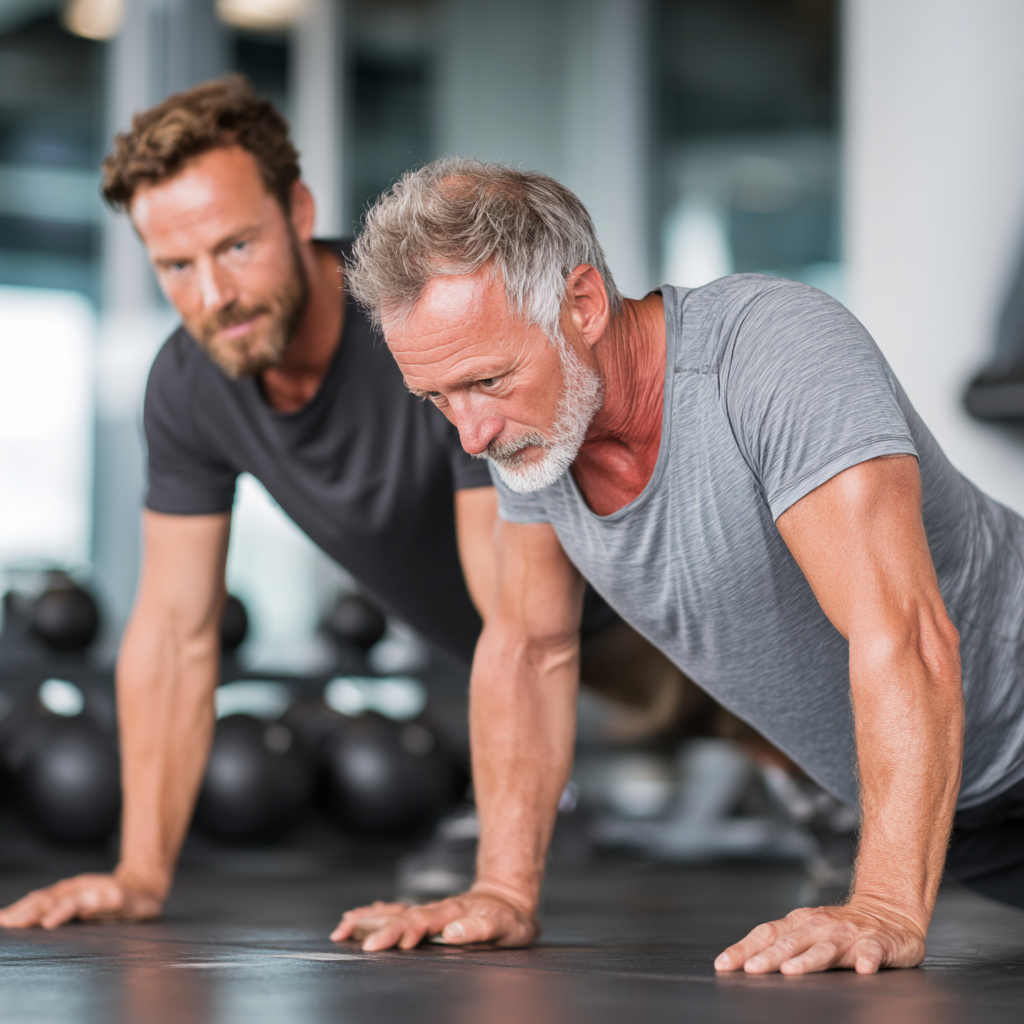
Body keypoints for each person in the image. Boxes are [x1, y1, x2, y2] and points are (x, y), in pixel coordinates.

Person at [0, 80, 760, 931]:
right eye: (177, 265)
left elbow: (513, 616)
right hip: (545, 656)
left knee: (829, 771)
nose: (215, 294)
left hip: (655, 617)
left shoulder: (414, 324)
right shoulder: (186, 384)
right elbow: (175, 634)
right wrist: (138, 875)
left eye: (238, 245)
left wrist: (501, 880)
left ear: (297, 208)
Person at [332, 158, 1024, 975]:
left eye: (487, 381)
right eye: (439, 398)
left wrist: (881, 906)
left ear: (582, 304)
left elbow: (899, 631)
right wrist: (503, 890)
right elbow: (528, 646)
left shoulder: (773, 353)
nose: (471, 434)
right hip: (970, 812)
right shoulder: (536, 434)